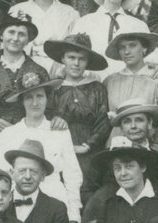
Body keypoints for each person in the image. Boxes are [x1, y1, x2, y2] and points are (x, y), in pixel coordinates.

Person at [0, 75, 82, 223]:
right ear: (21, 101)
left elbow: (72, 176)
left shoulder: (59, 131)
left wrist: (73, 217)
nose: (35, 103)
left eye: (40, 96)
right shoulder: (8, 134)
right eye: (29, 97)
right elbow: (3, 179)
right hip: (18, 208)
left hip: (55, 204)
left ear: (47, 99)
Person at [47, 33, 111, 200]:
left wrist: (88, 145)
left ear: (87, 62)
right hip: (59, 149)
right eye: (71, 57)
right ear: (63, 58)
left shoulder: (96, 88)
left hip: (89, 151)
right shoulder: (53, 89)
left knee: (87, 192)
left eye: (81, 59)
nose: (76, 63)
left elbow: (103, 122)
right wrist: (55, 118)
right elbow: (45, 116)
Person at [71, 0, 158, 76]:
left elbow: (152, 59)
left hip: (126, 84)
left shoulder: (138, 25)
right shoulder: (85, 22)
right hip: (92, 82)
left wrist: (156, 67)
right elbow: (71, 54)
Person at [103, 31, 158, 150]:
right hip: (115, 145)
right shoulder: (110, 81)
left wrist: (157, 144)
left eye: (132, 45)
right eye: (122, 47)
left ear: (144, 48)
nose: (127, 51)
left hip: (148, 147)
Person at [0, 13, 51, 132]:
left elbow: (48, 108)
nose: (15, 38)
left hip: (29, 132)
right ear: (1, 35)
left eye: (21, 34)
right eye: (11, 32)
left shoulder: (39, 71)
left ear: (28, 40)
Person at [8, 0, 80, 71]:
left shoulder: (70, 13)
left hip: (59, 70)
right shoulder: (17, 10)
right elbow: (7, 46)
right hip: (23, 69)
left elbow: (76, 48)